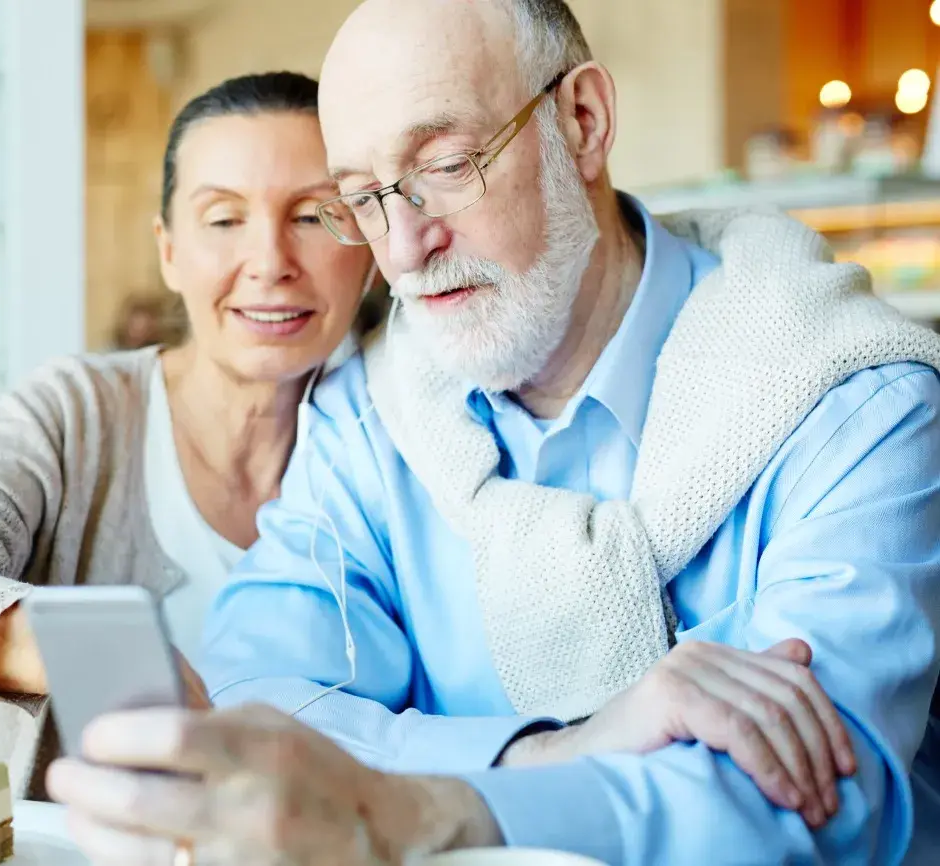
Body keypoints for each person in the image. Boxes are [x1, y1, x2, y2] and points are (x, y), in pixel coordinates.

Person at [45, 1, 940, 864]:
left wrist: (413, 808)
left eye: (444, 165)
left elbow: (817, 807)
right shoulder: (370, 414)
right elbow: (258, 696)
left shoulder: (853, 401)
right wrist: (548, 753)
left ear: (583, 121)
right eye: (361, 197)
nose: (402, 249)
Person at [0, 70, 378, 798]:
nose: (271, 262)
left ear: (369, 245)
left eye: (313, 215)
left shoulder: (396, 439)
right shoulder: (77, 415)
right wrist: (74, 647)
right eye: (223, 220)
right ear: (169, 251)